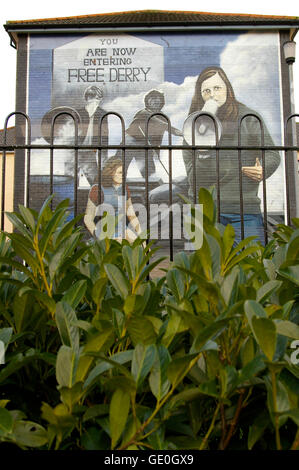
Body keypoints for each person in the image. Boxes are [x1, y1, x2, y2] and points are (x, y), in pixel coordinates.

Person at [182, 66, 281, 244]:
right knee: (203, 269)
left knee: (252, 266)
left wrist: (263, 169)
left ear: (228, 88)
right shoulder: (193, 126)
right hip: (204, 212)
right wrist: (203, 151)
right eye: (206, 91)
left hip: (244, 211)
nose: (212, 94)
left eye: (217, 88)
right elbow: (195, 181)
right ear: (200, 95)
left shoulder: (248, 117)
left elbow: (273, 153)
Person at [119, 89, 183, 179]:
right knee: (119, 166)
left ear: (161, 102)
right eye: (152, 99)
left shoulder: (163, 117)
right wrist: (180, 133)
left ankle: (151, 187)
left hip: (145, 144)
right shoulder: (143, 113)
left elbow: (159, 136)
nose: (155, 101)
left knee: (149, 171)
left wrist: (156, 151)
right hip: (130, 141)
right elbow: (163, 125)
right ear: (147, 101)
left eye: (158, 99)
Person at [84, 157, 143, 243]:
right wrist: (99, 237)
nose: (123, 175)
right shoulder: (97, 189)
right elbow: (87, 219)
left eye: (124, 173)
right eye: (119, 172)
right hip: (104, 233)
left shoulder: (125, 189)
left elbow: (131, 215)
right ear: (110, 173)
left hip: (123, 231)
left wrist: (141, 237)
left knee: (139, 247)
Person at [77, 85, 109, 186]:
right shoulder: (78, 113)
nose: (95, 101)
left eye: (97, 99)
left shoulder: (102, 114)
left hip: (89, 153)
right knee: (70, 182)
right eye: (92, 98)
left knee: (95, 184)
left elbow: (104, 137)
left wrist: (104, 158)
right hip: (74, 151)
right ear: (87, 98)